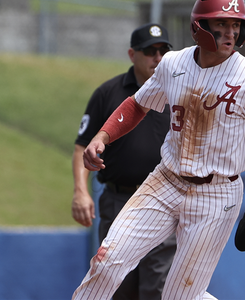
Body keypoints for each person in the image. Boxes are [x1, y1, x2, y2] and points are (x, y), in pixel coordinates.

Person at [73, 0, 245, 300]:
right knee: (106, 263)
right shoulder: (173, 64)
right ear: (199, 26)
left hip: (216, 194)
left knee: (179, 296)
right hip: (165, 181)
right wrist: (103, 136)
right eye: (222, 24)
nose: (231, 32)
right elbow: (138, 105)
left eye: (236, 25)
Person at [71, 23, 176, 300]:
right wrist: (81, 191)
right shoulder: (109, 92)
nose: (158, 57)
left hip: (165, 202)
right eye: (150, 51)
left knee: (159, 287)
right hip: (120, 200)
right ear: (132, 54)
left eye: (164, 50)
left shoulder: (179, 93)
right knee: (117, 287)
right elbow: (83, 144)